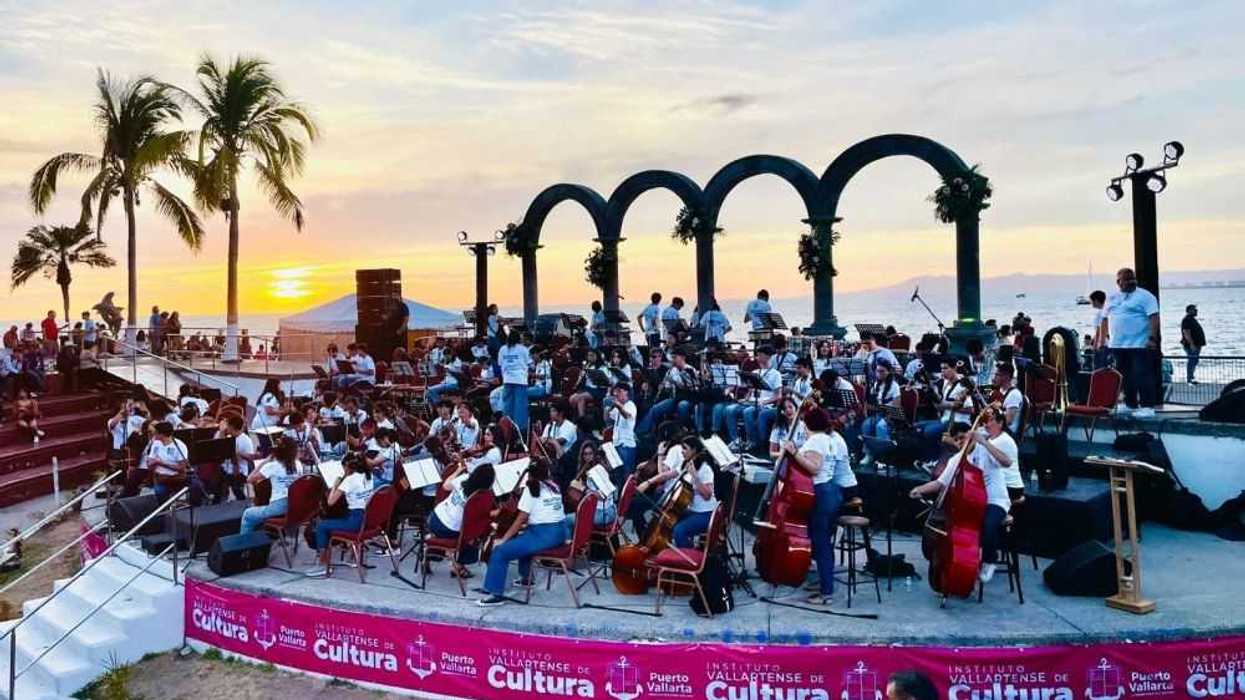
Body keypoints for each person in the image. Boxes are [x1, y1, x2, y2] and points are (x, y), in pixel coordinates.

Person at [909, 410, 1015, 584]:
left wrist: (984, 442)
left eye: (962, 437)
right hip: (971, 504)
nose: (960, 442)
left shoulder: (985, 449)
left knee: (987, 525)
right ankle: (963, 565)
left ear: (971, 435)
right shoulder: (956, 459)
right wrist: (919, 489)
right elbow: (940, 483)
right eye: (956, 440)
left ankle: (989, 560)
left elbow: (1007, 462)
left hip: (995, 501)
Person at [478, 457, 566, 607]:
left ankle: (495, 594)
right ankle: (527, 578)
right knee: (523, 538)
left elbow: (519, 520)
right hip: (560, 532)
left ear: (529, 474)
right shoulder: (554, 486)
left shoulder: (531, 489)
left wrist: (503, 539)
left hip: (544, 535)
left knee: (500, 552)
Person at [778, 407, 843, 605]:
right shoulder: (830, 439)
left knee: (821, 542)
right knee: (822, 541)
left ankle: (826, 592)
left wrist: (794, 452)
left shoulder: (816, 440)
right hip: (832, 491)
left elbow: (814, 468)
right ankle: (825, 581)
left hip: (821, 492)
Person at [306, 452, 375, 577]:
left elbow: (330, 501)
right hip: (368, 518)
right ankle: (350, 555)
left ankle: (323, 564)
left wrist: (335, 485)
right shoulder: (368, 475)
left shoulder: (350, 480)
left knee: (321, 526)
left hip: (356, 521)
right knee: (337, 518)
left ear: (348, 467)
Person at [1103, 267, 1160, 418]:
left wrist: (1152, 338)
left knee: (1142, 374)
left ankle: (1148, 406)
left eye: (1132, 278)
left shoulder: (1146, 296)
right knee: (1124, 376)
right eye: (1127, 280)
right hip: (1118, 344)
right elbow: (1105, 317)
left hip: (1139, 344)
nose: (1131, 282)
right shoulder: (1112, 297)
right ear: (1118, 282)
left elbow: (1154, 317)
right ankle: (1130, 403)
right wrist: (1103, 339)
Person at [427, 463, 496, 578]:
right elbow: (477, 518)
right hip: (448, 528)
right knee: (473, 531)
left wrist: (458, 470)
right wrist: (497, 513)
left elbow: (446, 486)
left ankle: (431, 553)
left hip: (434, 517)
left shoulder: (464, 478)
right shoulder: (478, 497)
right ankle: (458, 566)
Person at [240, 437, 302, 533]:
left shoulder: (272, 466)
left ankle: (244, 545)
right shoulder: (298, 464)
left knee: (247, 514)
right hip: (294, 506)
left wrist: (264, 462)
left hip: (279, 507)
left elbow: (249, 479)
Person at [497, 330, 531, 432]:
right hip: (520, 380)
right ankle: (520, 431)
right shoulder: (523, 349)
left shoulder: (503, 349)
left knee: (507, 406)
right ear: (519, 338)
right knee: (520, 407)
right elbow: (528, 362)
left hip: (507, 380)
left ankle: (506, 429)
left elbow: (500, 363)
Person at [146, 421, 189, 501]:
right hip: (159, 477)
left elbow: (182, 467)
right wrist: (150, 463)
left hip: (174, 478)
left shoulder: (180, 446)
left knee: (160, 492)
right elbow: (150, 460)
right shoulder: (156, 443)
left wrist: (161, 463)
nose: (154, 434)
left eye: (156, 433)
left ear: (161, 434)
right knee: (157, 495)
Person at [220, 413, 259, 501]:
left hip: (240, 471)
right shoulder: (229, 438)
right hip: (227, 468)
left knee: (234, 486)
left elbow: (251, 458)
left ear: (231, 427)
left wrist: (239, 454)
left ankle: (242, 501)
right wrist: (221, 432)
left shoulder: (245, 440)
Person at [608, 383, 638, 481]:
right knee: (617, 475)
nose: (616, 394)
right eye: (616, 392)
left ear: (626, 392)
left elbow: (627, 416)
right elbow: (607, 418)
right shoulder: (617, 408)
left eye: (619, 391)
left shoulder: (630, 405)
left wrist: (618, 406)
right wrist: (607, 406)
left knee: (627, 475)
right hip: (616, 443)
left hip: (626, 445)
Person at [1181, 304, 1206, 384]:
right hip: (1191, 345)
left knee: (1194, 360)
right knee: (1192, 360)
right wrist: (1191, 344)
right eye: (1194, 309)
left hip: (1196, 344)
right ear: (1189, 311)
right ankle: (1189, 378)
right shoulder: (1187, 319)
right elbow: (1186, 332)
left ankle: (1191, 377)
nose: (1196, 311)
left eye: (1196, 309)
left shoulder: (1191, 319)